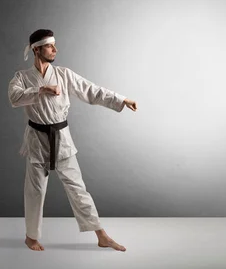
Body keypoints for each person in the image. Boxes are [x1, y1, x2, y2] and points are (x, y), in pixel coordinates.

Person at [8, 29, 137, 252]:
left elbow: (91, 90)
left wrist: (121, 99)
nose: (55, 50)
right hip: (37, 140)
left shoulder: (64, 74)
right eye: (50, 46)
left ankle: (101, 235)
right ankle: (31, 237)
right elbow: (14, 97)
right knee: (35, 191)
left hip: (61, 138)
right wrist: (41, 89)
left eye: (54, 45)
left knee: (78, 188)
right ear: (37, 49)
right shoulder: (22, 77)